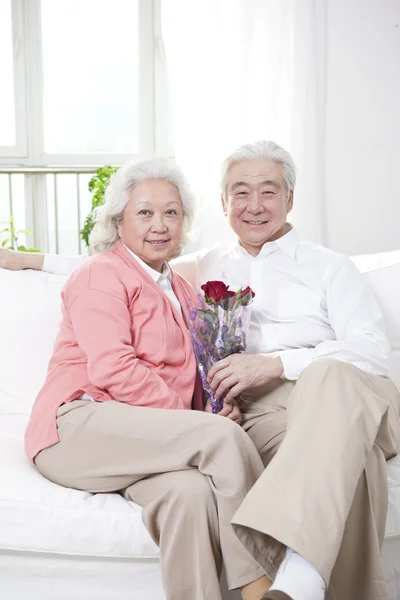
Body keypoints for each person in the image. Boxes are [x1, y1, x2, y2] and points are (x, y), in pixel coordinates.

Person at [3, 141, 399, 600]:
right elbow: (112, 275)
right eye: (240, 192)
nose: (254, 206)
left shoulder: (319, 269)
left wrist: (264, 371)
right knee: (209, 461)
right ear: (224, 202)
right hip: (105, 415)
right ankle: (269, 588)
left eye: (267, 192)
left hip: (324, 393)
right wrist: (27, 260)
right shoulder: (194, 269)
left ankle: (301, 582)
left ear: (290, 198)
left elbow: (370, 351)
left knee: (325, 403)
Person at [21, 157, 274, 600]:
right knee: (223, 440)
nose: (160, 225)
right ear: (119, 221)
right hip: (77, 428)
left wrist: (217, 405)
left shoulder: (181, 288)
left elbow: (189, 373)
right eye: (144, 212)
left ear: (184, 222)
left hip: (138, 438)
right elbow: (113, 368)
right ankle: (263, 586)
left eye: (171, 212)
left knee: (190, 494)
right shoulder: (100, 273)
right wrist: (199, 425)